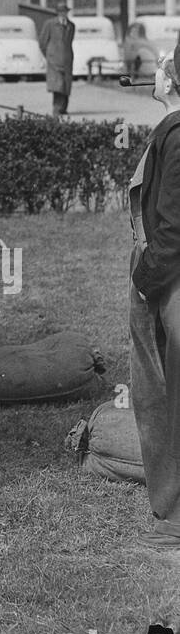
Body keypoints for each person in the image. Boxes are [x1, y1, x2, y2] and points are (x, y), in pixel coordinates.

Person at [127, 40, 180, 551]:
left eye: (163, 65)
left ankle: (172, 517)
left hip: (167, 281)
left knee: (163, 395)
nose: (155, 69)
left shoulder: (178, 133)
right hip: (165, 277)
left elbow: (173, 226)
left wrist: (146, 280)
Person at [38, 3, 75, 116]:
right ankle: (57, 108)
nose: (64, 14)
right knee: (57, 85)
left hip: (67, 59)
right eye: (62, 11)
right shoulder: (50, 24)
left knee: (66, 84)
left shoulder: (71, 25)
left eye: (65, 11)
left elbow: (69, 42)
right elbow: (42, 42)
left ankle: (63, 107)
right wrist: (49, 55)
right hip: (54, 60)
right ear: (58, 12)